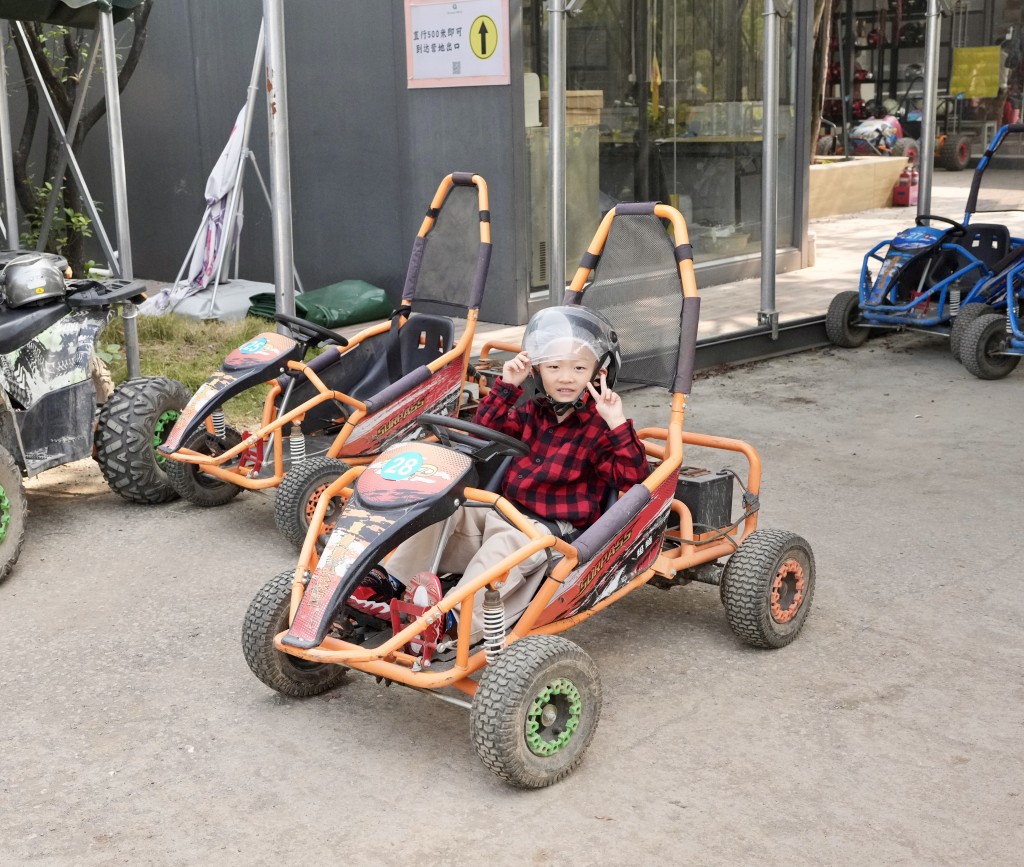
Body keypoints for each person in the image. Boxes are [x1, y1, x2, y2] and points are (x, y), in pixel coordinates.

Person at [349, 305, 650, 646]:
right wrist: (507, 386)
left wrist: (616, 422)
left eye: (578, 368)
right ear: (537, 370)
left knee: (508, 545)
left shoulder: (600, 430)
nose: (565, 377)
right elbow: (480, 435)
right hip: (501, 513)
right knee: (442, 510)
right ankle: (388, 582)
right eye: (554, 367)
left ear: (599, 375)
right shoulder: (531, 413)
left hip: (548, 535)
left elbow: (633, 478)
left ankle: (452, 620)